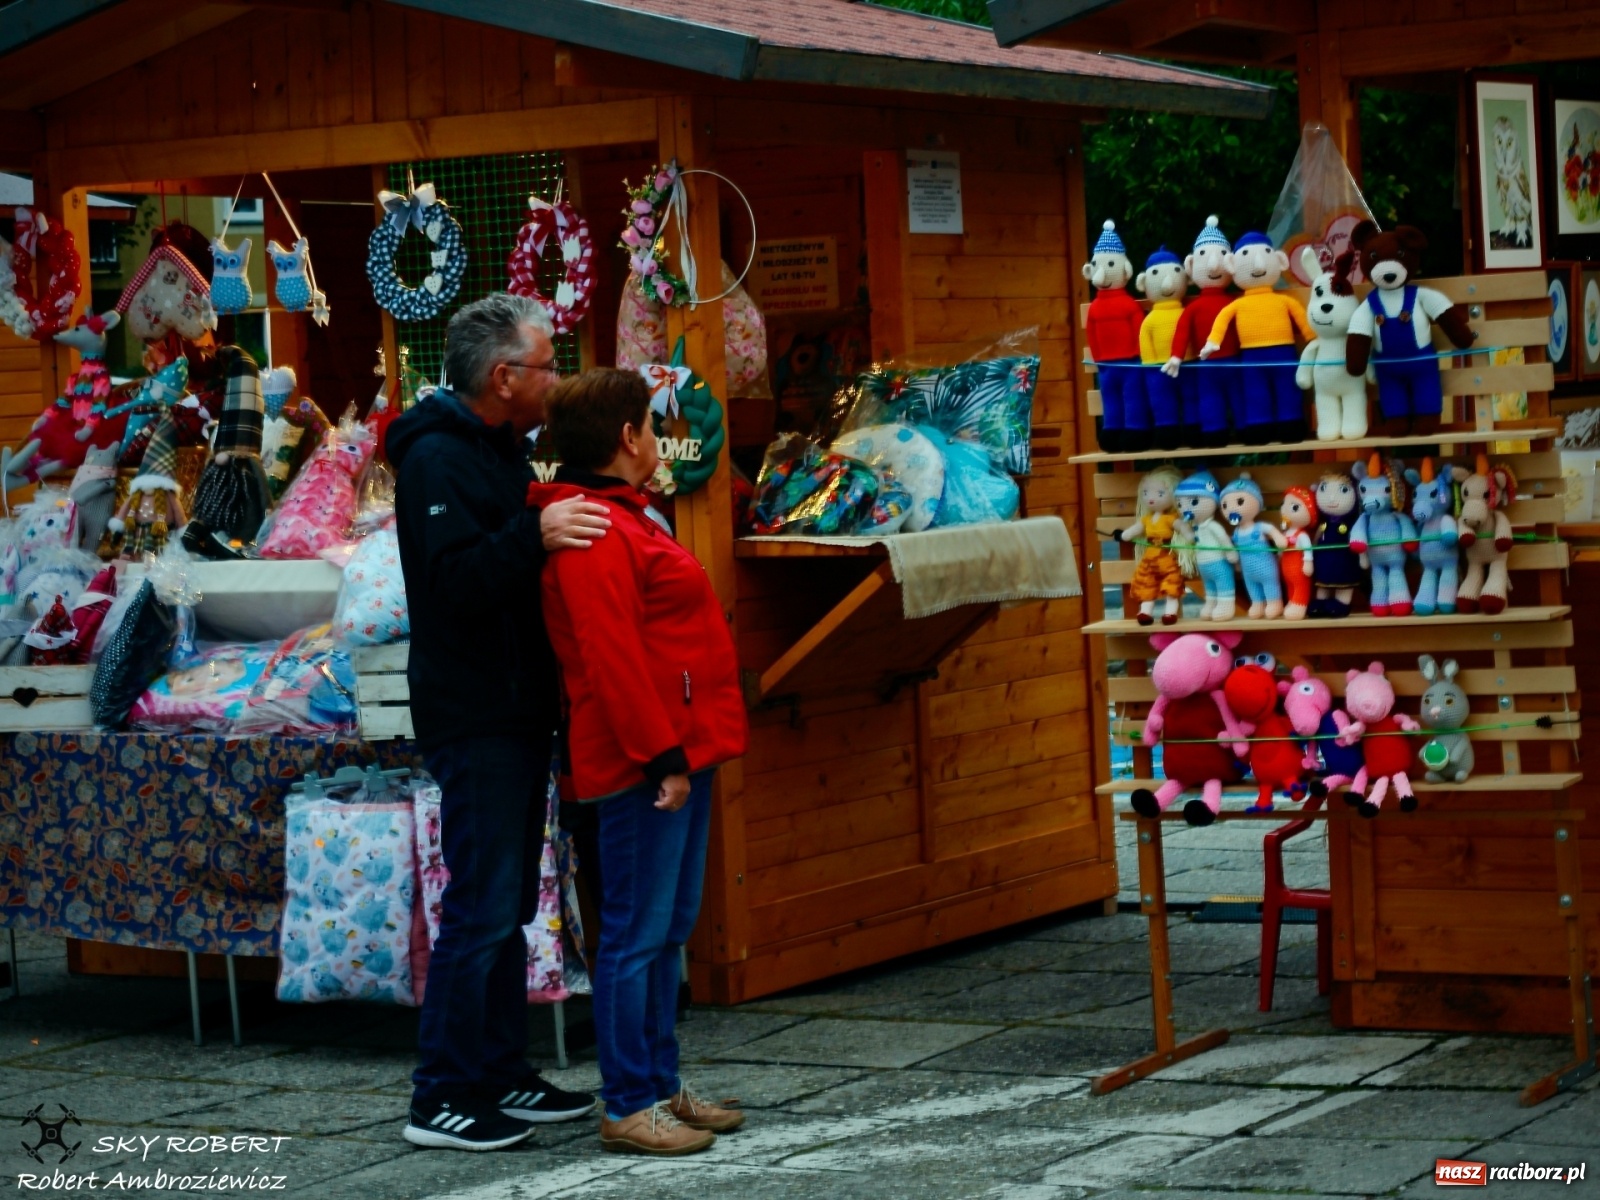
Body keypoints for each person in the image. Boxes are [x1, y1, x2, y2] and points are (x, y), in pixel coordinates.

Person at [389, 293, 611, 1152]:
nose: (557, 377)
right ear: (503, 375)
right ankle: (440, 1094)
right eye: (548, 363)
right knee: (481, 906)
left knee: (512, 902)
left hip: (519, 710)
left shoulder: (502, 452)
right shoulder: (438, 462)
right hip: (474, 712)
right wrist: (538, 533)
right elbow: (449, 588)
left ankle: (499, 1072)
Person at [530, 368, 749, 1156]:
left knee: (664, 929)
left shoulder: (622, 516)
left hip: (671, 750)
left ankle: (657, 1084)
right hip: (641, 762)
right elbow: (611, 656)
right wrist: (662, 757)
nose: (656, 441)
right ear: (628, 438)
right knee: (634, 934)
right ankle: (628, 1099)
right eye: (651, 429)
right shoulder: (596, 528)